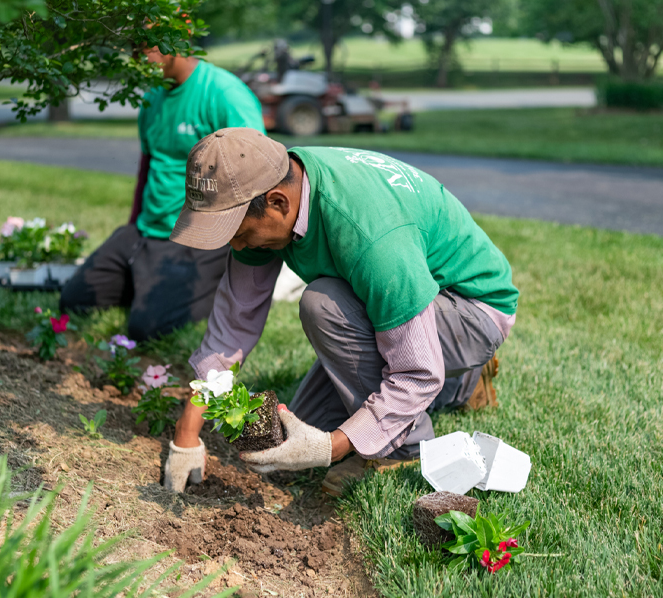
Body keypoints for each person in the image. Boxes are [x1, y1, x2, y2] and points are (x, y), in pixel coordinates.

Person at [163, 128, 519, 495]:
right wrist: (188, 431)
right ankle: (464, 382)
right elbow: (234, 324)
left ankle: (404, 450)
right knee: (304, 426)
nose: (236, 245)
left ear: (278, 203)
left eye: (237, 233)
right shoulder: (277, 181)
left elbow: (418, 373)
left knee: (322, 306)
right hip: (403, 297)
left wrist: (333, 446)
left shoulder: (372, 235)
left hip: (470, 309)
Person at [59, 49, 265, 341]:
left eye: (147, 45)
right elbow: (147, 165)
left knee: (146, 329)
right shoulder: (152, 97)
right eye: (135, 45)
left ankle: (213, 283)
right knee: (74, 300)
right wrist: (132, 225)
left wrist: (239, 244)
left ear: (176, 37)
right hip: (146, 231)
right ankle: (146, 279)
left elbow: (257, 169)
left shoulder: (223, 93)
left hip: (197, 238)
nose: (137, 56)